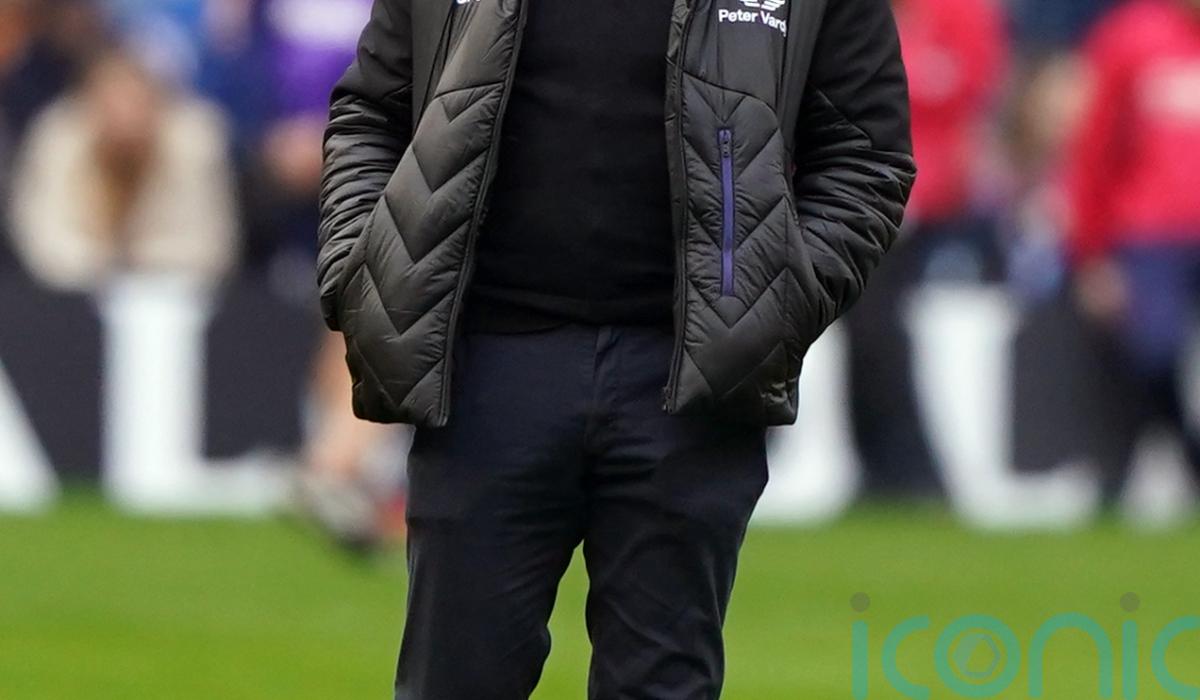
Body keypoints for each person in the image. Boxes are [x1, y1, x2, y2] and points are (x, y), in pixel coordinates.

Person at [318, 0, 914, 696]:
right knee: (454, 682)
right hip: (484, 377)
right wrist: (358, 268)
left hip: (690, 390)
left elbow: (865, 155)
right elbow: (371, 115)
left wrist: (776, 306)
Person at [1065, 0, 1200, 481]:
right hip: (1152, 236)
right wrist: (1090, 253)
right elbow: (1095, 148)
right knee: (1152, 353)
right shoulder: (1130, 37)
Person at [9, 46, 237, 291]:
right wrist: (101, 266)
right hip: (69, 295)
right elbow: (42, 235)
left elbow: (211, 243)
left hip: (174, 293)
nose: (125, 114)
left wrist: (143, 264)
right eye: (112, 101)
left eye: (135, 101)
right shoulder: (60, 141)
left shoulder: (192, 143)